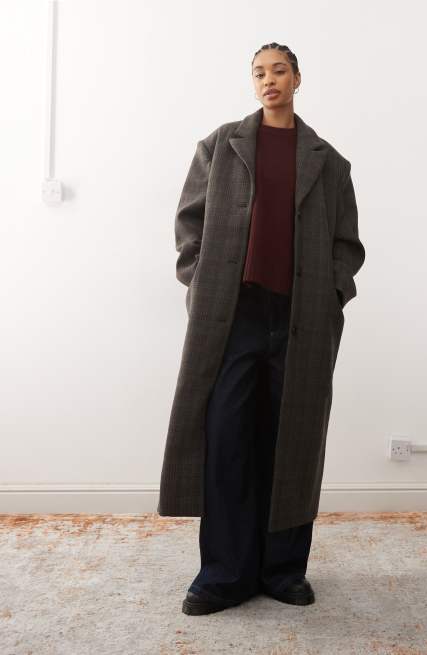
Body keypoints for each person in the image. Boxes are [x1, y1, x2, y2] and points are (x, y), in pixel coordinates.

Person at [157, 41, 366, 616]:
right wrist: (199, 282)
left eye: (278, 70)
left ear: (297, 78)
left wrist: (331, 295)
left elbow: (347, 244)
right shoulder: (220, 145)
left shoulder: (329, 161)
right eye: (258, 73)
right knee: (226, 439)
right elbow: (189, 223)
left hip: (301, 317)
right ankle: (224, 574)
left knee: (291, 441)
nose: (268, 80)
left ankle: (283, 570)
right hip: (234, 315)